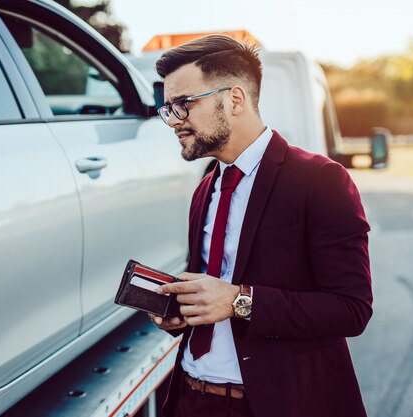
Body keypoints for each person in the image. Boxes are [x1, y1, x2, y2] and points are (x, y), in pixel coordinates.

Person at [149, 34, 372, 417]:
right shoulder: (206, 187)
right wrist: (182, 310)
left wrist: (239, 301)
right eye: (169, 108)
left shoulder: (320, 179)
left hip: (273, 404)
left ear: (235, 99)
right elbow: (214, 287)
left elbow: (351, 309)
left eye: (184, 104)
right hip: (190, 397)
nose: (174, 121)